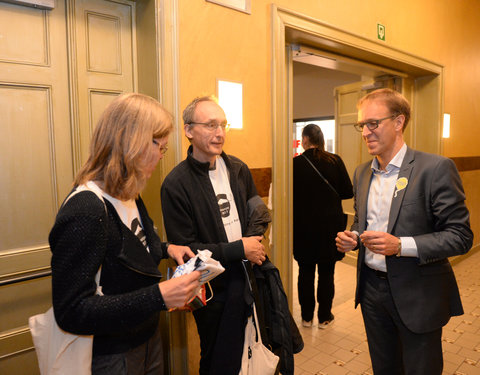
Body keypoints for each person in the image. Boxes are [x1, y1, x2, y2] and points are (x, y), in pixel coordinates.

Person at [49, 93, 201, 375]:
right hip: (110, 356)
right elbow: (71, 311)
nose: (160, 155)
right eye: (158, 145)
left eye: (164, 148)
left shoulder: (130, 193)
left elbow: (130, 250)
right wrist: (158, 297)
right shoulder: (86, 210)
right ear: (130, 141)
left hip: (146, 339)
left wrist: (167, 249)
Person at [335, 88, 473, 374]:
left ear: (399, 122)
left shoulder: (434, 169)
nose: (365, 132)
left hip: (418, 292)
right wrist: (353, 237)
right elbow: (362, 223)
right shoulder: (362, 173)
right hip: (372, 291)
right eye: (362, 125)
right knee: (384, 367)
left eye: (374, 123)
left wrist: (401, 245)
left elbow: (460, 237)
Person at [160, 95, 267, 375]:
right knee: (218, 360)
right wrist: (238, 248)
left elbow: (257, 211)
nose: (219, 133)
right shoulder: (175, 184)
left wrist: (253, 241)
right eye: (210, 125)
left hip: (248, 278)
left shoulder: (238, 169)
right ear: (188, 130)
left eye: (222, 125)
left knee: (253, 351)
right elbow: (187, 251)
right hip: (213, 293)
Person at [293, 124, 353, 329]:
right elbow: (347, 192)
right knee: (327, 272)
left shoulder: (295, 164)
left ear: (305, 139)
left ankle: (307, 317)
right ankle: (325, 317)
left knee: (305, 271)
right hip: (330, 227)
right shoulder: (335, 161)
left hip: (303, 228)